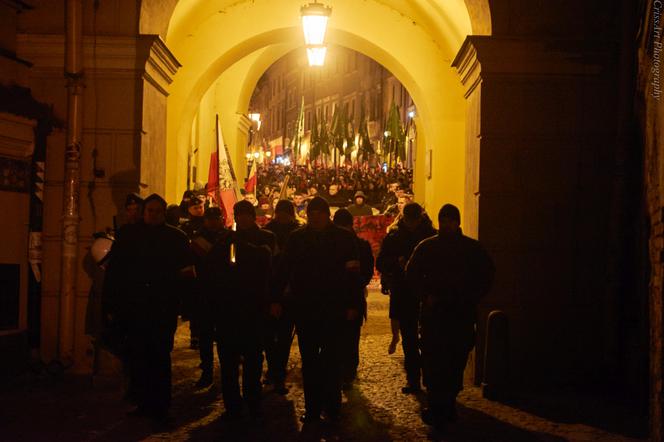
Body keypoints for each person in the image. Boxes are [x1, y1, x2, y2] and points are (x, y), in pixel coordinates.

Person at [104, 193, 194, 423]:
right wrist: (112, 303)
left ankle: (161, 405)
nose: (153, 215)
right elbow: (115, 273)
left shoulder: (176, 238)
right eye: (150, 210)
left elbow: (187, 273)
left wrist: (183, 303)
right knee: (138, 357)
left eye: (158, 211)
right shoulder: (128, 236)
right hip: (135, 307)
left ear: (164, 213)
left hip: (162, 307)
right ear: (144, 212)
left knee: (160, 357)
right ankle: (142, 402)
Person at [272, 196, 362, 423]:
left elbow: (353, 275)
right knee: (310, 361)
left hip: (334, 308)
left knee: (332, 360)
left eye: (319, 212)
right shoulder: (297, 239)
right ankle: (313, 408)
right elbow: (284, 270)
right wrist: (276, 298)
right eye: (311, 212)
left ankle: (332, 406)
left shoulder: (343, 239)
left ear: (326, 214)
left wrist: (353, 304)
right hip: (306, 308)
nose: (315, 216)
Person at [406, 203, 494, 433]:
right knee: (434, 361)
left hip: (460, 315)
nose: (446, 224)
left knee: (456, 360)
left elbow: (486, 275)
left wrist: (470, 296)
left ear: (457, 222)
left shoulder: (472, 249)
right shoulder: (427, 247)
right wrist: (426, 296)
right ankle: (437, 407)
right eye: (442, 220)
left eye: (449, 220)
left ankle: (448, 401)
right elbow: (412, 273)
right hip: (435, 316)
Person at [209, 200, 276, 420]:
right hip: (229, 308)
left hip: (254, 306)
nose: (243, 219)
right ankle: (232, 404)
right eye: (239, 215)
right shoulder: (226, 239)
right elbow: (219, 268)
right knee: (228, 361)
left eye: (246, 214)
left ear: (253, 216)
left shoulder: (267, 237)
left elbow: (268, 263)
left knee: (254, 359)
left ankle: (253, 400)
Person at [376, 202, 437, 394]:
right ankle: (414, 378)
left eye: (414, 220)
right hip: (404, 291)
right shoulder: (395, 236)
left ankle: (426, 376)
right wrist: (396, 262)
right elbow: (381, 261)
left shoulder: (431, 236)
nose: (411, 224)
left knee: (427, 337)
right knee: (409, 337)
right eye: (409, 220)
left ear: (420, 218)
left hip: (425, 293)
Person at [262, 200, 303, 394]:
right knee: (269, 335)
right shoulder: (267, 233)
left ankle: (279, 369)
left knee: (285, 335)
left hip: (290, 292)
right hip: (270, 290)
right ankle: (273, 367)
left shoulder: (298, 234)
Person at [332, 208, 374, 389]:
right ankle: (346, 370)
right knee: (347, 336)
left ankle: (347, 370)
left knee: (348, 336)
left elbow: (365, 272)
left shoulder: (359, 246)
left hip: (348, 297)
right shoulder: (360, 244)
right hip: (346, 297)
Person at [190, 207, 230, 388]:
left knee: (224, 336)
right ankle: (207, 371)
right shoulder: (199, 238)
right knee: (206, 335)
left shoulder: (229, 236)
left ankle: (226, 371)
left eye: (217, 218)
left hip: (224, 292)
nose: (214, 222)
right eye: (211, 219)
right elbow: (202, 259)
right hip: (204, 292)